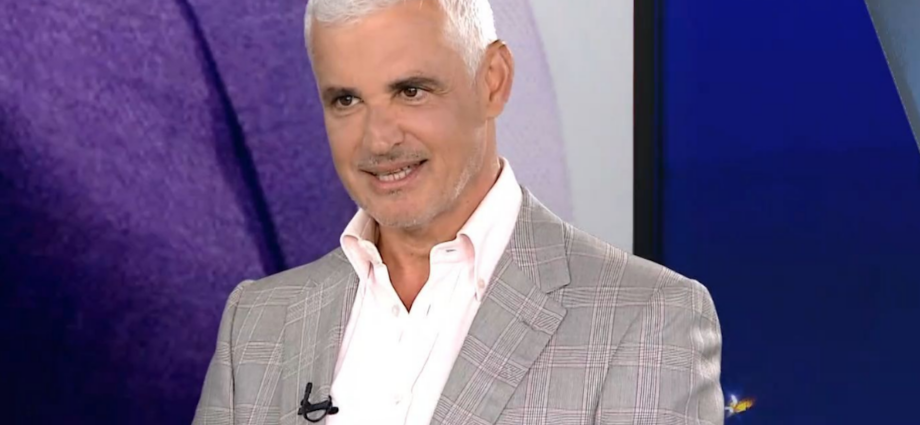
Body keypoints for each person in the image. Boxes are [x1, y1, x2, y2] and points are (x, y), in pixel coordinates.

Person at [193, 0, 724, 424]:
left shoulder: (647, 320)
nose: (378, 140)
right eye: (346, 101)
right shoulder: (256, 322)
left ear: (493, 79)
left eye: (410, 91)